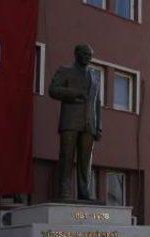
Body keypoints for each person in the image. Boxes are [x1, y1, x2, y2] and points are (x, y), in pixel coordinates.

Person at [49, 44, 102, 201]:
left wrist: (98, 127)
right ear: (76, 54)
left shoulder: (95, 77)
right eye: (85, 54)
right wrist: (72, 93)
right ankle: (64, 191)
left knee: (86, 161)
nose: (88, 57)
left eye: (90, 55)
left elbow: (97, 103)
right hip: (70, 122)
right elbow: (53, 89)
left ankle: (84, 191)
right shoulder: (65, 71)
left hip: (89, 124)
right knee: (66, 157)